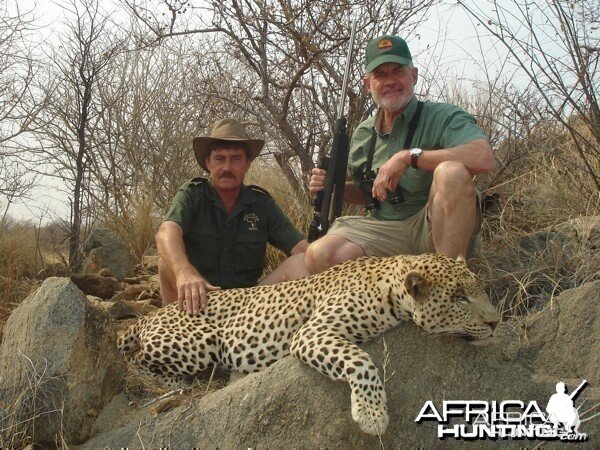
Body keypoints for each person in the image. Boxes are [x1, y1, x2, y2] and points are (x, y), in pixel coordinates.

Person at [305, 34, 495, 274]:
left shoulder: (443, 116)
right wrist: (332, 186)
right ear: (368, 84)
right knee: (319, 255)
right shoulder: (363, 133)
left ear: (413, 75)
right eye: (381, 75)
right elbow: (367, 195)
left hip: (432, 228)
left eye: (397, 71)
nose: (390, 81)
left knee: (451, 171)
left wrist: (409, 157)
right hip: (384, 231)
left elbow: (483, 157)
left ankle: (448, 283)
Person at [156, 118, 309, 315]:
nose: (227, 167)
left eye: (235, 158)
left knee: (301, 262)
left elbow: (301, 249)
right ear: (208, 163)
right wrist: (184, 273)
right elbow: (166, 232)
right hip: (200, 298)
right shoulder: (192, 194)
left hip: (246, 305)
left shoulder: (261, 203)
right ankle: (173, 322)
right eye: (219, 159)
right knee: (165, 262)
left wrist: (335, 259)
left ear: (247, 164)